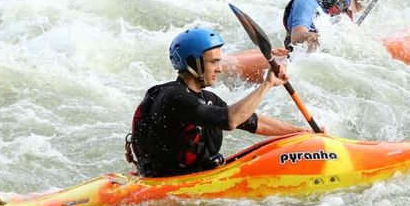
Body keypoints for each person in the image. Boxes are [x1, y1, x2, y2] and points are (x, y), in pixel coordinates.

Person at [125, 27, 310, 177]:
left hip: (187, 174)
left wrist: (303, 133)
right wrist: (267, 84)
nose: (219, 69)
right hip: (167, 181)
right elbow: (231, 120)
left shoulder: (206, 98)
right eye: (213, 62)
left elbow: (252, 121)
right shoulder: (173, 97)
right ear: (194, 63)